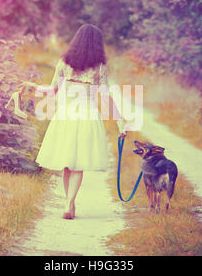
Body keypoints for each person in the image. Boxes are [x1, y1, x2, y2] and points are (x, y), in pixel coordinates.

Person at [21, 24, 127, 219]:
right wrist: (120, 121)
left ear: (76, 41)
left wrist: (33, 87)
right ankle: (70, 202)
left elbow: (52, 90)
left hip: (66, 116)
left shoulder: (64, 63)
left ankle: (67, 203)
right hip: (87, 116)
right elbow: (105, 97)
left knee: (67, 163)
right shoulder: (99, 68)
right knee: (78, 164)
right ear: (97, 44)